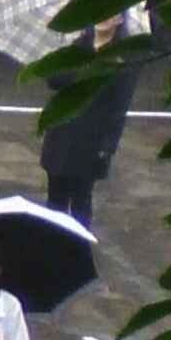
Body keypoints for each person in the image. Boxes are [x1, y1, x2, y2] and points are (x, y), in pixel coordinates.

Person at [39, 18, 142, 226]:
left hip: (92, 139)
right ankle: (49, 250)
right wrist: (59, 51)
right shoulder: (77, 46)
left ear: (120, 19)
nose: (103, 17)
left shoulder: (123, 57)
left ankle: (78, 251)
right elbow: (54, 82)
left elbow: (120, 106)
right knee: (55, 201)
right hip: (62, 131)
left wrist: (107, 147)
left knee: (81, 202)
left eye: (110, 12)